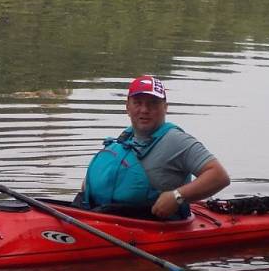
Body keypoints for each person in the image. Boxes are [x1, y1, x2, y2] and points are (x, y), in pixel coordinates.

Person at [80, 75, 229, 219]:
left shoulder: (176, 140)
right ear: (127, 107)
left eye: (152, 103)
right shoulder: (126, 137)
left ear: (165, 107)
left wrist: (177, 196)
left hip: (156, 228)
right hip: (104, 219)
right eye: (138, 103)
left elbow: (219, 176)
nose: (144, 109)